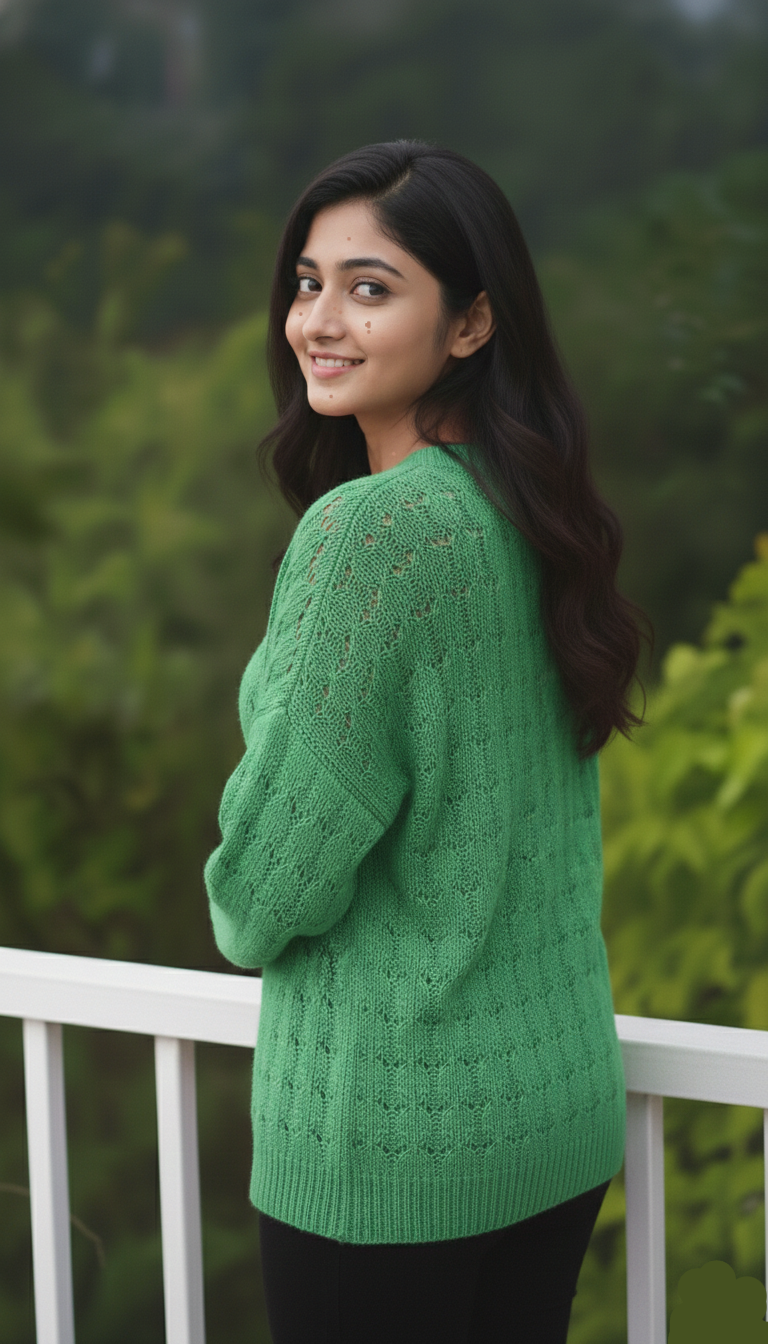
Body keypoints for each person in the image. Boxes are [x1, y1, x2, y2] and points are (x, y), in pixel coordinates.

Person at [203, 139, 651, 1344]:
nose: (319, 322)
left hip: (391, 1144)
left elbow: (259, 900)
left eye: (371, 286)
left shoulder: (372, 537)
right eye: (307, 283)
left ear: (472, 323)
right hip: (548, 1114)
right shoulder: (533, 514)